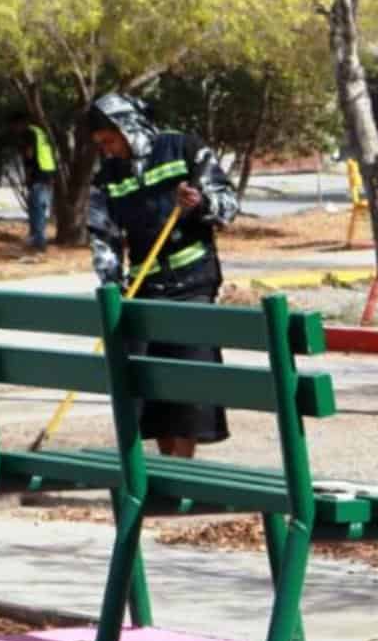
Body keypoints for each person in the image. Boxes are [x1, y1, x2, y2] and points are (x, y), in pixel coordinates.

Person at [85, 92, 239, 458]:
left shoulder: (185, 149)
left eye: (110, 140)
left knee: (187, 396)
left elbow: (229, 208)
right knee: (150, 396)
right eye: (100, 145)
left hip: (193, 285)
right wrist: (112, 289)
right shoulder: (106, 177)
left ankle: (179, 471)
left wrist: (200, 204)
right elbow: (101, 237)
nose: (107, 150)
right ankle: (166, 472)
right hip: (143, 290)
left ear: (130, 127)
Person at [19, 113, 58, 257]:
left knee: (37, 211)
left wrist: (28, 173)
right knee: (41, 208)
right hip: (48, 173)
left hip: (38, 174)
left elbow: (29, 154)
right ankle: (38, 241)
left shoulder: (29, 132)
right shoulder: (41, 132)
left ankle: (38, 243)